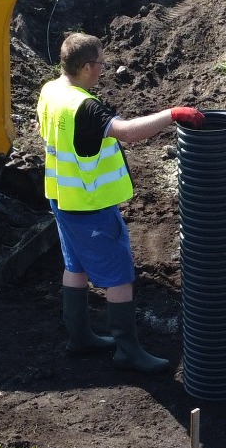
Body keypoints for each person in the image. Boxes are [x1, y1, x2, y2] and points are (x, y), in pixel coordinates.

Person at [38, 32, 203, 373]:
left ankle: (80, 337)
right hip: (90, 202)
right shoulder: (84, 106)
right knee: (119, 277)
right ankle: (128, 349)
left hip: (61, 196)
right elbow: (126, 132)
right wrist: (173, 113)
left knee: (75, 266)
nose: (103, 68)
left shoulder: (51, 91)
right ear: (86, 67)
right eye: (100, 62)